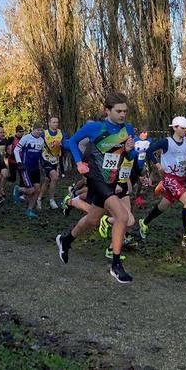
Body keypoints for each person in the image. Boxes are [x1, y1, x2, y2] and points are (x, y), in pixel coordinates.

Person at [55, 93, 137, 283]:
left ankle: (66, 240)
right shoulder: (95, 127)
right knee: (122, 216)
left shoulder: (128, 129)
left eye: (125, 111)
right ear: (107, 110)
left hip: (111, 179)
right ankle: (116, 265)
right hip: (95, 177)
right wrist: (78, 163)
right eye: (118, 111)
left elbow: (129, 157)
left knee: (93, 219)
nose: (122, 115)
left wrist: (129, 150)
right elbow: (72, 141)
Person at [135, 116, 186, 244]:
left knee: (163, 205)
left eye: (185, 128)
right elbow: (149, 151)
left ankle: (144, 222)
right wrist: (158, 165)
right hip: (169, 178)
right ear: (175, 128)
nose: (184, 130)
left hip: (180, 178)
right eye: (182, 128)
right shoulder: (166, 142)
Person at [14, 122, 45, 218]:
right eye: (37, 130)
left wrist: (44, 161)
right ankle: (18, 189)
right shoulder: (26, 138)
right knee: (31, 190)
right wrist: (19, 162)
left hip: (36, 168)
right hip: (26, 168)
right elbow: (16, 150)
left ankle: (29, 210)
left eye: (40, 130)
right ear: (33, 129)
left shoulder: (41, 140)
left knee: (37, 190)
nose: (39, 132)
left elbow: (42, 153)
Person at [39, 117, 66, 209]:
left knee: (47, 180)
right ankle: (51, 200)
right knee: (54, 177)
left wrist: (61, 145)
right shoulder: (43, 133)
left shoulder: (61, 133)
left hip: (55, 160)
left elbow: (65, 144)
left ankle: (39, 198)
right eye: (54, 122)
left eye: (57, 122)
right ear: (49, 123)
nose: (56, 124)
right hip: (45, 159)